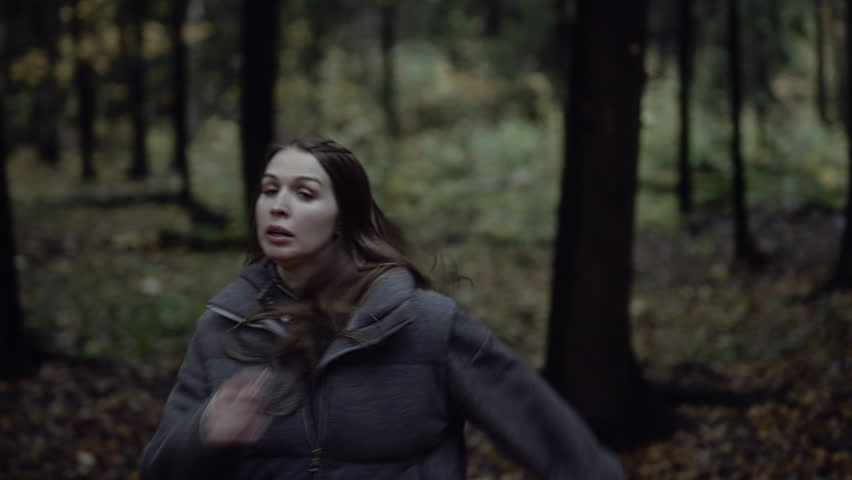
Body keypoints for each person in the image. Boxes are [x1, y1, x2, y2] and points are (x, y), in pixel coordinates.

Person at [140, 135, 624, 479]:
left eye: (304, 194)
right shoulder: (225, 326)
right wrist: (205, 429)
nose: (278, 206)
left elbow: (547, 433)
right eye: (270, 190)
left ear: (342, 219)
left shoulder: (424, 323)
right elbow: (158, 467)